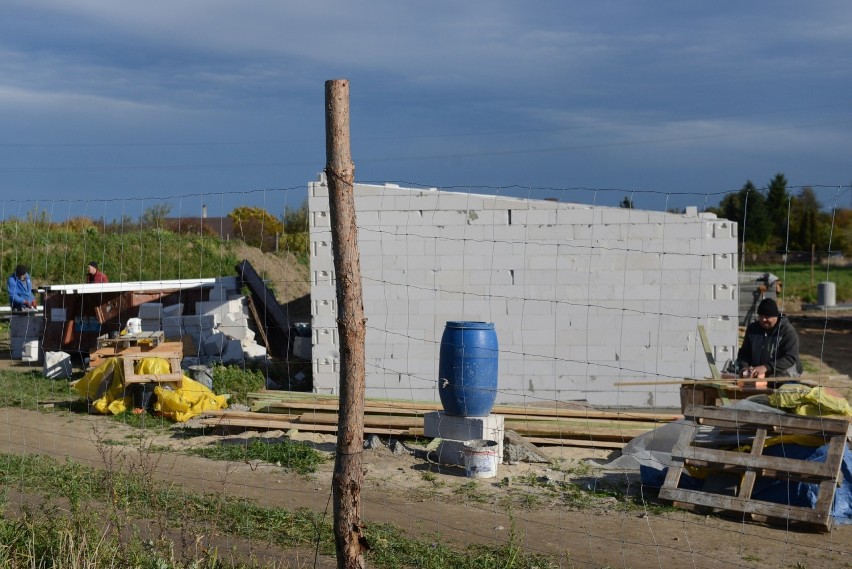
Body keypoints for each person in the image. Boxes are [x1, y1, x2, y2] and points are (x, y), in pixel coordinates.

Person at [735, 297, 802, 386]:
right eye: (761, 316)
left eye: (767, 317)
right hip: (759, 377)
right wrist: (744, 367)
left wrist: (766, 367)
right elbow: (744, 352)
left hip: (785, 377)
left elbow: (790, 358)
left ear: (776, 316)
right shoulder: (752, 329)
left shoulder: (787, 331)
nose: (763, 320)